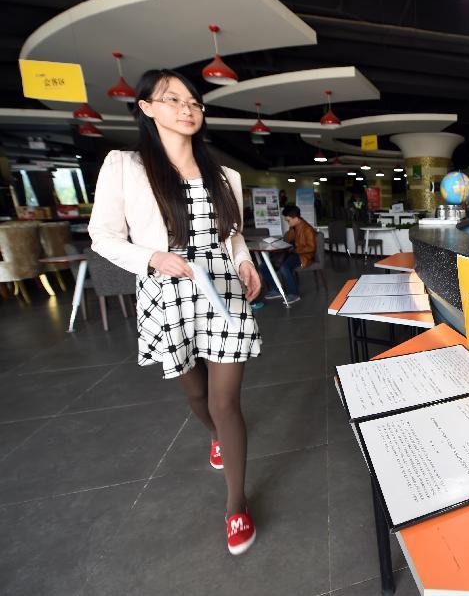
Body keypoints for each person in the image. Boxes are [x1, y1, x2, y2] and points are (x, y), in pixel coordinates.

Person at [88, 69, 262, 556]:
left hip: (223, 291)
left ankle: (235, 506)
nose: (187, 109)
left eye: (194, 102)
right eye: (172, 99)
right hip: (166, 289)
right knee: (196, 393)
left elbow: (233, 235)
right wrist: (153, 258)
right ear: (146, 107)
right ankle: (214, 438)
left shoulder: (226, 175)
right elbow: (102, 235)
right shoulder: (125, 165)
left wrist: (245, 263)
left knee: (227, 401)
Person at [260, 205, 316, 303]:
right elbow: (287, 241)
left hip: (303, 255)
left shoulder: (308, 229)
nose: (287, 222)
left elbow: (311, 247)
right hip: (291, 253)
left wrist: (295, 250)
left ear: (296, 218)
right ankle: (276, 290)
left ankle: (294, 294)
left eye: (288, 220)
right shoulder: (293, 227)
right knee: (263, 267)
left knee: (284, 267)